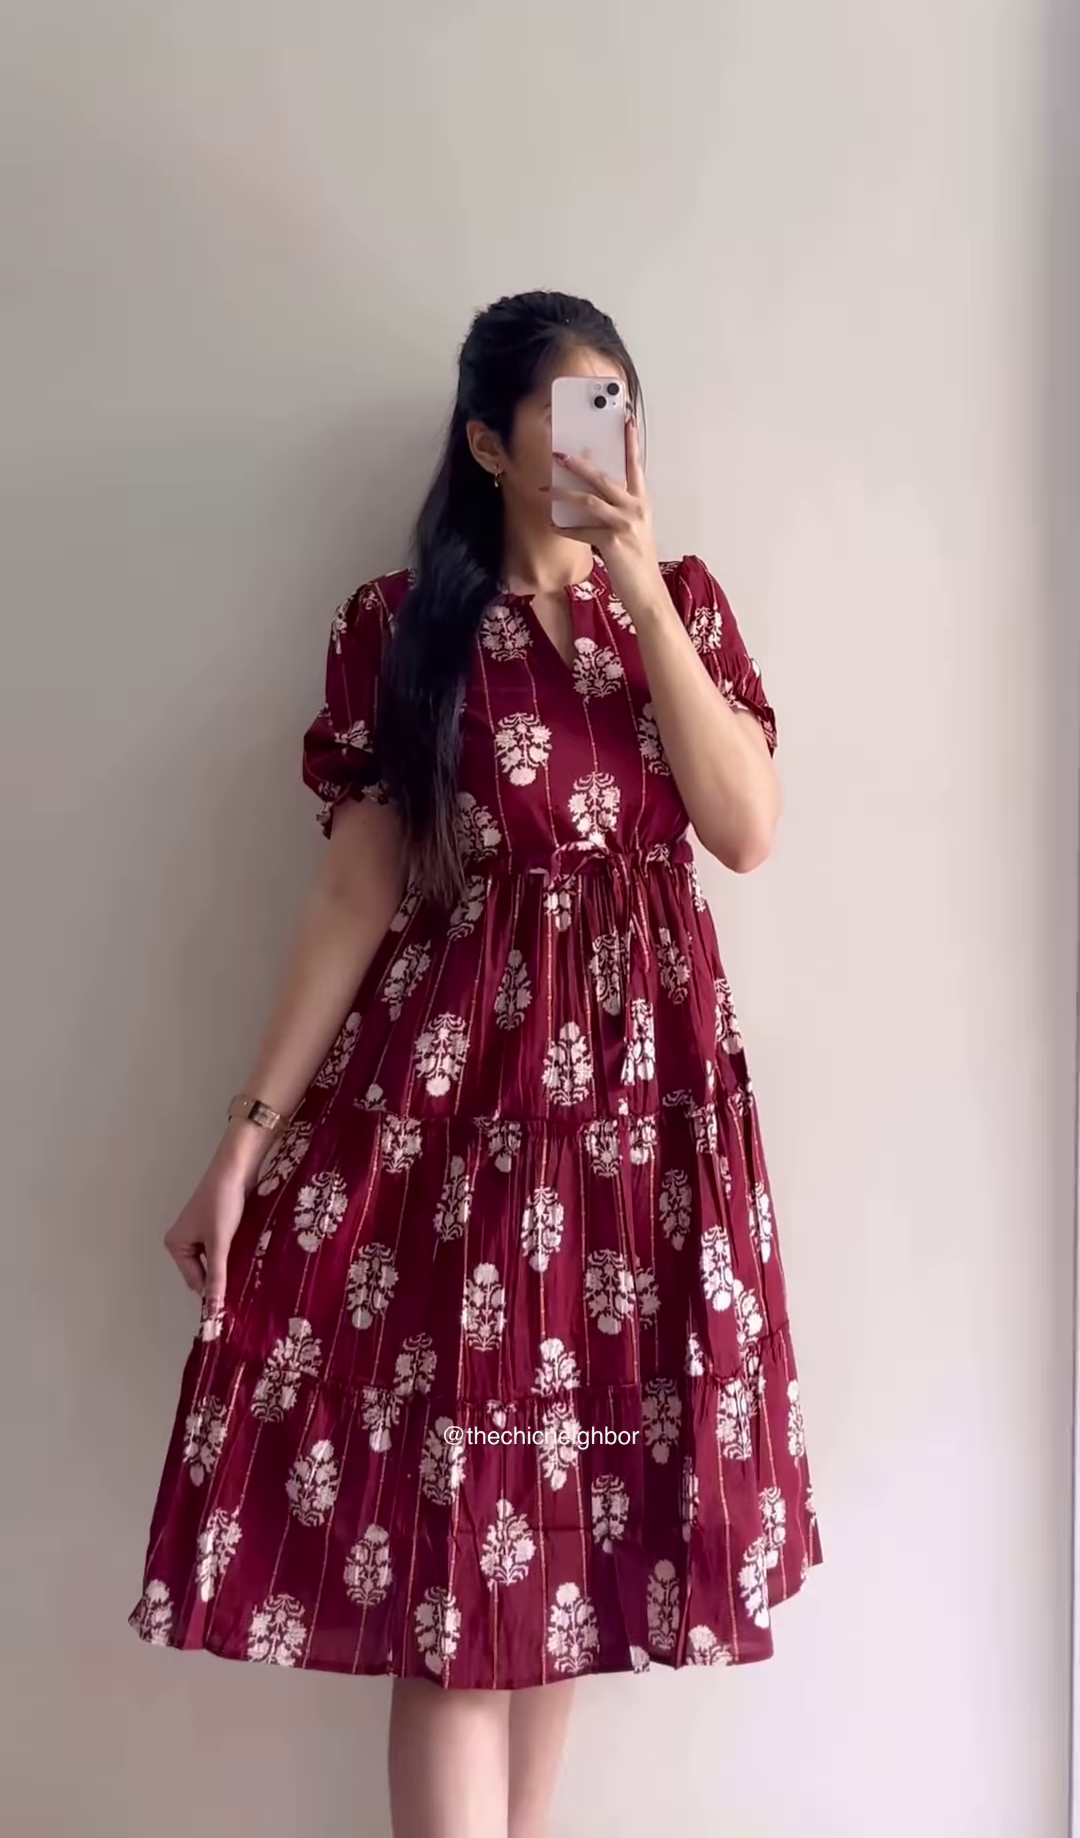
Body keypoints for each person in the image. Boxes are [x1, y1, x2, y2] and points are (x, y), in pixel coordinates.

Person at [130, 289, 820, 1838]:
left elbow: (746, 828)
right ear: (491, 444)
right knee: (465, 1559)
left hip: (641, 1132)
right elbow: (354, 894)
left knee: (557, 1557)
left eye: (619, 414)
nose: (601, 447)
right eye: (569, 415)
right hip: (468, 1127)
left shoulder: (682, 607)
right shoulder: (403, 630)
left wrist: (637, 590)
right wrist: (245, 1139)